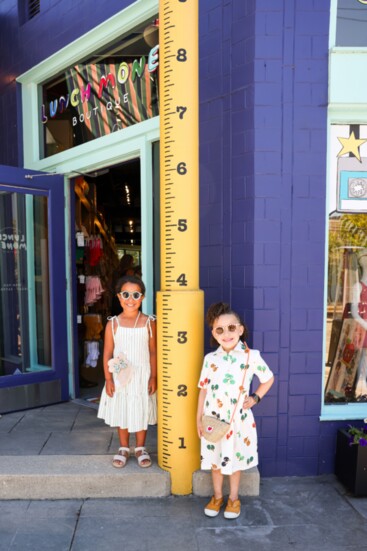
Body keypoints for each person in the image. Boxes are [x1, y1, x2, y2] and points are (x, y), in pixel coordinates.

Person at [197, 302, 274, 519]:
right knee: (215, 460)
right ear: (213, 333)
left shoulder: (252, 356)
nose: (226, 334)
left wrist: (255, 397)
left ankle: (233, 499)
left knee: (235, 461)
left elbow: (268, 379)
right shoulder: (210, 359)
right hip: (212, 419)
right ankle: (217, 496)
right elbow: (202, 390)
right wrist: (198, 419)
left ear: (240, 329)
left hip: (238, 421)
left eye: (231, 328)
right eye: (219, 329)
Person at [97, 275, 157, 468]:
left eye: (136, 295)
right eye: (126, 294)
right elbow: (106, 353)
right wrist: (108, 379)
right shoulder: (112, 324)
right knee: (123, 408)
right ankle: (123, 447)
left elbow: (154, 351)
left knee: (140, 409)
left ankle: (140, 447)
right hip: (120, 376)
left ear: (142, 298)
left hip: (142, 375)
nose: (130, 299)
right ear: (119, 297)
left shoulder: (149, 323)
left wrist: (154, 376)